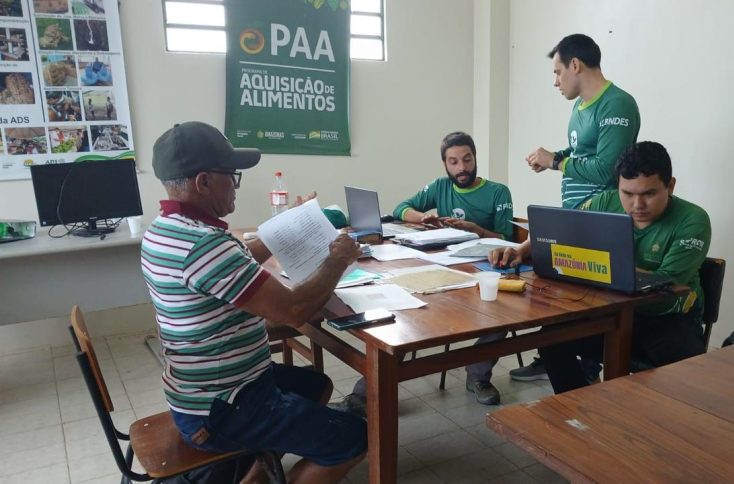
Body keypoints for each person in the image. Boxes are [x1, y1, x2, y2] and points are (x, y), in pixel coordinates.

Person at [140, 121, 366, 483]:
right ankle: (261, 457)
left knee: (315, 385)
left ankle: (257, 470)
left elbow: (240, 256)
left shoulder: (166, 230)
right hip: (223, 408)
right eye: (232, 175)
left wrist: (292, 222)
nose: (236, 185)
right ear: (203, 182)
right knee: (356, 437)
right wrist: (337, 260)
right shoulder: (205, 246)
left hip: (204, 393)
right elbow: (294, 312)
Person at [492, 141, 711, 392]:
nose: (637, 205)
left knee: (682, 384)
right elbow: (563, 228)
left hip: (668, 321)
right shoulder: (606, 202)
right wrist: (520, 250)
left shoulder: (693, 220)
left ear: (670, 186)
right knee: (551, 338)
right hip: (612, 314)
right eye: (627, 193)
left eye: (649, 193)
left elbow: (665, 287)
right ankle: (580, 411)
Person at [332, 132, 514, 416]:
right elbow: (401, 208)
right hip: (444, 265)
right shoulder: (441, 186)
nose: (461, 168)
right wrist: (423, 217)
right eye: (453, 162)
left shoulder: (498, 191)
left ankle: (478, 375)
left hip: (484, 269)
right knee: (409, 311)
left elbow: (509, 238)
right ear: (445, 164)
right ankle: (366, 392)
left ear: (475, 158)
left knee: (502, 313)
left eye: (467, 159)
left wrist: (476, 230)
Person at [513, 33, 641, 382]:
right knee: (560, 300)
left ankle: (586, 374)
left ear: (575, 65)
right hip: (576, 215)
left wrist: (555, 162)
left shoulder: (617, 105)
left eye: (557, 72)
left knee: (589, 305)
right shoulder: (578, 107)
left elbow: (606, 168)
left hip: (601, 219)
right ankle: (563, 362)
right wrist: (554, 157)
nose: (555, 81)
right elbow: (583, 154)